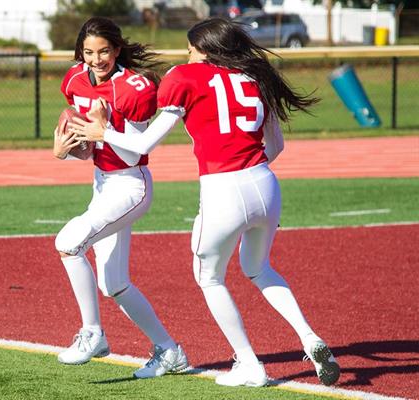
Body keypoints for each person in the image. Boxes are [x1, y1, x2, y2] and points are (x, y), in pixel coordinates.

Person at [70, 17, 340, 387]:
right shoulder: (256, 76)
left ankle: (249, 364)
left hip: (223, 189)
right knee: (260, 269)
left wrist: (104, 132)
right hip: (265, 183)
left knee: (210, 278)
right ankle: (310, 338)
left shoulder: (185, 77)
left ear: (208, 49)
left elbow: (143, 145)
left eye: (191, 48)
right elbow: (276, 146)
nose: (188, 54)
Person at [52, 16, 188, 379]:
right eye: (88, 52)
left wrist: (105, 126)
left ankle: (92, 333)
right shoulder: (75, 80)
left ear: (117, 49)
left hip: (131, 184)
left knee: (67, 243)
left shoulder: (134, 88)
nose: (96, 60)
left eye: (104, 52)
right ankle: (170, 351)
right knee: (113, 284)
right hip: (103, 183)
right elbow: (92, 150)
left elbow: (132, 153)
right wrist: (66, 149)